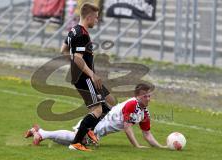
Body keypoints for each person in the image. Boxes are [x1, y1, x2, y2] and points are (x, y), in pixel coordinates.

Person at [24, 83, 167, 149]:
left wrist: (162, 147)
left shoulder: (144, 113)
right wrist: (137, 146)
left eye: (149, 96)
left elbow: (147, 134)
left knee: (74, 141)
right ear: (137, 96)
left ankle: (40, 133)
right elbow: (127, 128)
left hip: (99, 131)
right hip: (96, 123)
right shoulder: (132, 105)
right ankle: (41, 134)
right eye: (145, 96)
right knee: (75, 139)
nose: (148, 98)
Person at [60, 2, 116, 151]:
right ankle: (77, 143)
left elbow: (64, 50)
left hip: (83, 76)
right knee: (97, 110)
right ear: (89, 17)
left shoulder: (73, 30)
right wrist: (90, 73)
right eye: (96, 18)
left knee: (108, 104)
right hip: (85, 78)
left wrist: (75, 66)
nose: (97, 20)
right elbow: (78, 57)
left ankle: (89, 129)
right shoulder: (82, 34)